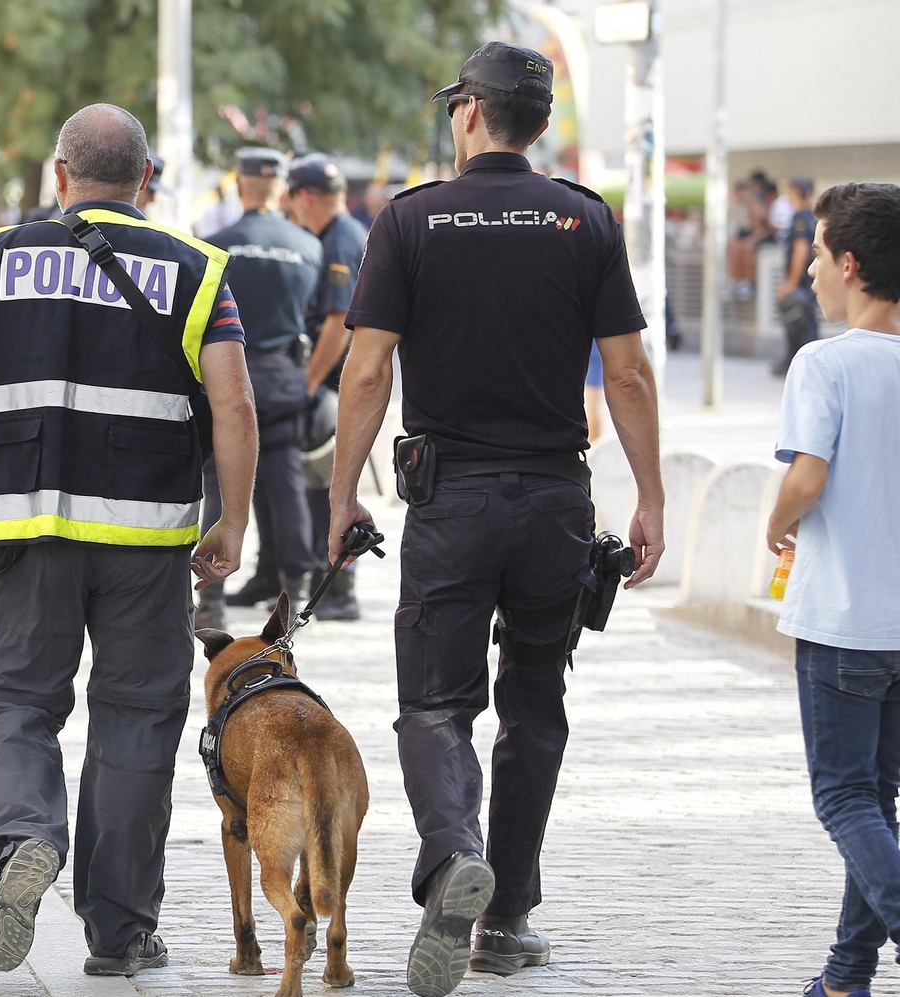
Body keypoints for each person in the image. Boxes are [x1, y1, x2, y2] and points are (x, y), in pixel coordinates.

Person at [327, 43, 665, 997]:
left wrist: (343, 490)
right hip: (555, 500)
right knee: (534, 701)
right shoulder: (584, 220)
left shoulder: (411, 221)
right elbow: (628, 373)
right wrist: (651, 494)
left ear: (470, 112)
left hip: (453, 501)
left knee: (435, 703)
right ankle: (505, 914)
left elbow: (365, 370)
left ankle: (452, 857)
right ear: (540, 122)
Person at [0, 103, 258, 979]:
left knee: (15, 701)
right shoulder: (196, 268)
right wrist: (235, 516)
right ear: (145, 181)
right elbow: (234, 403)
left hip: (21, 529)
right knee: (137, 718)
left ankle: (26, 836)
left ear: (59, 176)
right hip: (145, 542)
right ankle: (118, 931)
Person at [765, 182, 900, 997]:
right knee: (875, 805)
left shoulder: (825, 361)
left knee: (845, 797)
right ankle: (846, 978)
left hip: (844, 620)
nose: (809, 268)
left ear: (849, 264)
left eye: (815, 252)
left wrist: (774, 522)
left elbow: (807, 477)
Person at [193, 148, 322, 630]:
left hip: (226, 372)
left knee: (219, 487)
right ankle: (296, 591)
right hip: (284, 376)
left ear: (242, 184)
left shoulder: (215, 245)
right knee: (287, 483)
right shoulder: (307, 246)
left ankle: (212, 599)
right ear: (280, 188)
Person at [290, 152, 370, 620]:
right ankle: (330, 589)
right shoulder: (342, 233)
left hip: (334, 385)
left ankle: (339, 593)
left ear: (305, 197)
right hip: (337, 385)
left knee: (326, 487)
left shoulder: (339, 241)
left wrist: (309, 381)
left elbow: (339, 321)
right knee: (319, 486)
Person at [774, 177, 821, 376]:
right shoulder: (810, 217)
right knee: (804, 324)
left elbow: (800, 250)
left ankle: (804, 367)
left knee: (801, 326)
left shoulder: (800, 218)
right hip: (808, 284)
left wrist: (791, 283)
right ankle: (798, 366)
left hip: (801, 284)